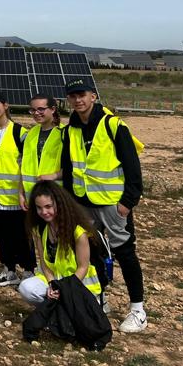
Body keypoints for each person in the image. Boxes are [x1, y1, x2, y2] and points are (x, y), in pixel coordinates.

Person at [61, 78, 147, 334]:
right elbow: (69, 168)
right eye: (73, 96)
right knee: (92, 251)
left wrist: (127, 203)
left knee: (124, 253)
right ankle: (100, 298)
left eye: (82, 95)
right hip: (83, 203)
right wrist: (70, 202)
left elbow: (133, 167)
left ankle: (138, 310)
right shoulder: (71, 129)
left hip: (112, 204)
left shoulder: (113, 125)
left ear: (93, 96)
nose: (78, 100)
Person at [0, 89, 34, 286]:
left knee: (22, 236)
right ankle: (9, 268)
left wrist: (24, 192)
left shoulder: (20, 132)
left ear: (5, 105)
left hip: (16, 198)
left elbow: (27, 165)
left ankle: (28, 270)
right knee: (2, 235)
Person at [18, 181, 102, 306]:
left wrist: (65, 289)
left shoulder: (78, 232)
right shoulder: (39, 230)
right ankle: (55, 308)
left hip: (79, 284)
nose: (44, 212)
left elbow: (83, 267)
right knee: (26, 288)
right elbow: (44, 264)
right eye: (39, 208)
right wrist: (53, 285)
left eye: (48, 206)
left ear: (59, 204)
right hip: (56, 280)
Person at [19, 95, 64, 208]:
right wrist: (21, 193)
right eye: (33, 110)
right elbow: (23, 166)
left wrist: (54, 176)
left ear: (53, 109)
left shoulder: (64, 133)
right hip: (32, 197)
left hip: (54, 197)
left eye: (41, 109)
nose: (36, 113)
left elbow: (71, 167)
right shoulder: (30, 134)